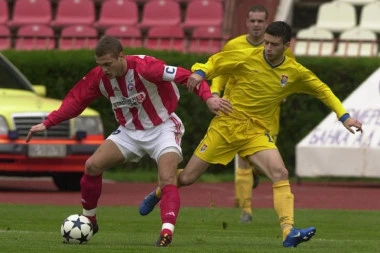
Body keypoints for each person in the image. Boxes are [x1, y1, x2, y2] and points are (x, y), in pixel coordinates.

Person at [140, 21, 363, 247]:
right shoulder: (246, 56)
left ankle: (288, 232)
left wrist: (344, 117)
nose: (267, 48)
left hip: (255, 131)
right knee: (187, 178)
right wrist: (199, 72)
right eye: (266, 42)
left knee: (280, 172)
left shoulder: (295, 72)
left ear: (287, 45)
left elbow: (322, 90)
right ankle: (159, 192)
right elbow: (215, 63)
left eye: (274, 44)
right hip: (226, 126)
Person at [25, 35, 231, 247]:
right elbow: (76, 100)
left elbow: (187, 76)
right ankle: (90, 220)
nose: (104, 69)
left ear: (121, 56)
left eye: (108, 64)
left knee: (167, 178)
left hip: (162, 127)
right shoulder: (99, 77)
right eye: (100, 65)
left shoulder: (146, 68)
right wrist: (48, 123)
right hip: (129, 132)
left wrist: (208, 98)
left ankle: (166, 231)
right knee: (92, 166)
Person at [210, 4, 296, 224]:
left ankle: (257, 174)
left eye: (260, 21)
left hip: (268, 118)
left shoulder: (285, 52)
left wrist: (284, 92)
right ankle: (246, 210)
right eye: (253, 21)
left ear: (266, 23)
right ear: (246, 23)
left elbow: (291, 78)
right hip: (239, 115)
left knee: (262, 165)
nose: (256, 25)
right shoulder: (234, 45)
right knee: (243, 162)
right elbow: (219, 70)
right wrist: (215, 93)